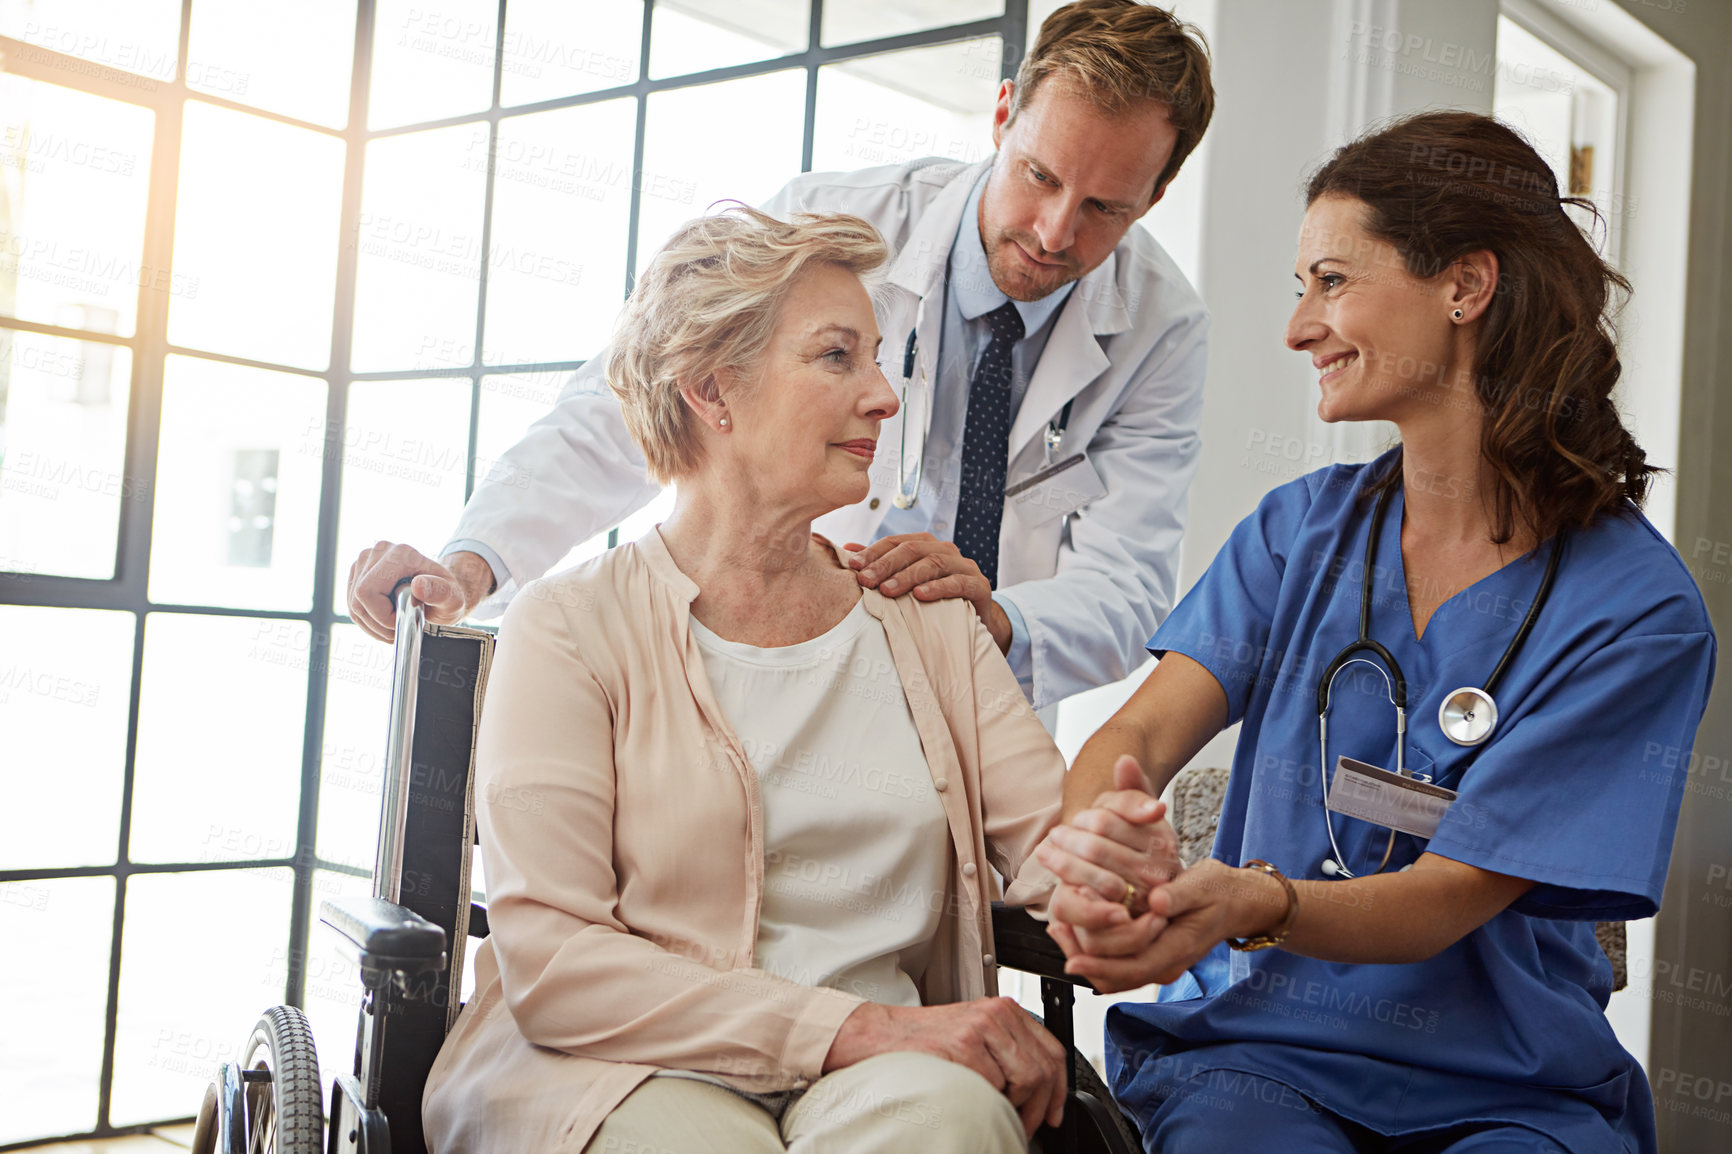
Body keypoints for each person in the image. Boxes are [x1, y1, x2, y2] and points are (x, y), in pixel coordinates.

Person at [420, 207, 1179, 1154]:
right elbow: (560, 968)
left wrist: (1117, 872)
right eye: (835, 358)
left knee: (951, 1123)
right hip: (611, 1065)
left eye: (879, 358)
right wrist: (859, 1028)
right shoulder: (570, 628)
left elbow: (1054, 854)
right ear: (711, 389)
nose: (884, 398)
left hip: (877, 1071)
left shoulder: (929, 619)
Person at [1033, 111, 1716, 1152]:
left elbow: (1445, 899)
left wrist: (1245, 901)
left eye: (1332, 281)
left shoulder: (1635, 610)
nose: (1299, 327)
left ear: (1464, 285)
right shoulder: (1295, 533)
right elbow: (1133, 740)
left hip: (1511, 1087)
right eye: (1300, 288)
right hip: (1260, 1058)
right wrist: (1098, 847)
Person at [348, 0, 1215, 716]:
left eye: (1106, 208)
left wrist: (991, 621)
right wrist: (472, 563)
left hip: (973, 695)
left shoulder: (1161, 327)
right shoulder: (835, 227)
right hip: (772, 651)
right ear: (1000, 117)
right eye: (1039, 175)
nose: (1054, 233)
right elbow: (627, 412)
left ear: (1159, 192)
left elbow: (1126, 584)